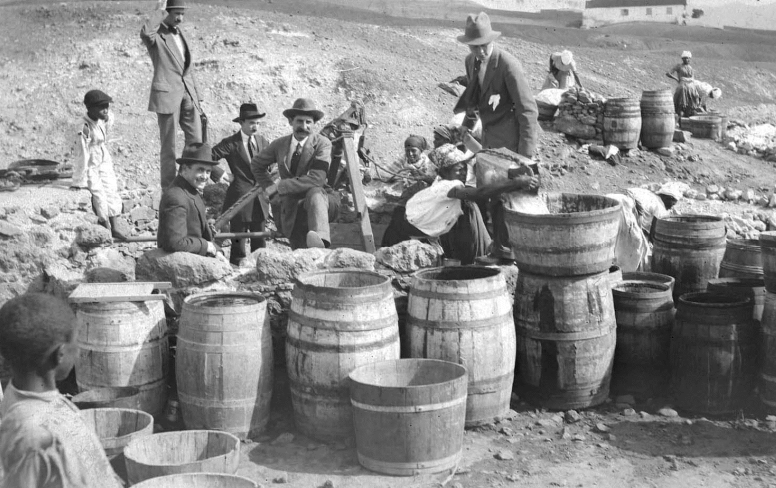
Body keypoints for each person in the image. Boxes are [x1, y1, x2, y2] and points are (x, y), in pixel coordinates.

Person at [0, 293, 123, 487]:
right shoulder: (34, 436)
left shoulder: (21, 394)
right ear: (60, 354)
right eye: (77, 343)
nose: (79, 351)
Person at [453, 12, 539, 263]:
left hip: (512, 143)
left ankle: (512, 252)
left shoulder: (508, 65)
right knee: (493, 195)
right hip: (489, 142)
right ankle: (499, 249)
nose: (480, 52)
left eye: (484, 46)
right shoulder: (470, 62)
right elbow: (475, 97)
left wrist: (525, 156)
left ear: (492, 41)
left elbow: (528, 110)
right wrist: (468, 125)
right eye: (474, 47)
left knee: (513, 196)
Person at [404, 144, 538, 265]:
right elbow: (480, 193)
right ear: (443, 172)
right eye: (458, 170)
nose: (463, 173)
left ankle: (490, 249)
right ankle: (490, 251)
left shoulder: (441, 182)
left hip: (419, 227)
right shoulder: (447, 186)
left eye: (465, 169)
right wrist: (516, 183)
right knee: (470, 203)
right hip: (417, 233)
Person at [251, 98, 340, 250]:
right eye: (299, 121)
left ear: (314, 124)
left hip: (320, 205)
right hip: (292, 211)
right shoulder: (280, 145)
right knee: (300, 255)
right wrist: (271, 190)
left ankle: (321, 241)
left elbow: (317, 179)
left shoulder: (322, 144)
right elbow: (257, 165)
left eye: (308, 122)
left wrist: (280, 186)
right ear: (290, 122)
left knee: (315, 192)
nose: (304, 127)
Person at [141, 0, 203, 189]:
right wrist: (159, 11)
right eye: (176, 13)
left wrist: (197, 97)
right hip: (167, 96)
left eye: (182, 14)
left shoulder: (180, 33)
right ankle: (169, 190)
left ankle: (188, 182)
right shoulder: (156, 36)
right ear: (166, 12)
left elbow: (188, 68)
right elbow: (146, 33)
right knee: (169, 147)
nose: (180, 18)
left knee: (196, 142)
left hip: (188, 95)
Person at [211, 103, 270, 264]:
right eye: (251, 123)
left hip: (260, 200)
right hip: (239, 199)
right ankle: (236, 270)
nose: (255, 127)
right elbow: (207, 157)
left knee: (260, 242)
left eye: (258, 123)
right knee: (238, 242)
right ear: (241, 122)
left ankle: (259, 270)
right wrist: (222, 174)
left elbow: (272, 162)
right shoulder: (231, 143)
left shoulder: (263, 141)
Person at [72, 89, 126, 240]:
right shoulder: (84, 127)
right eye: (101, 108)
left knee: (111, 189)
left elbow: (109, 119)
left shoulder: (102, 118)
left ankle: (115, 227)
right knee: (99, 195)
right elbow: (82, 153)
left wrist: (106, 116)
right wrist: (79, 180)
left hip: (103, 157)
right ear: (90, 109)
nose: (106, 110)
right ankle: (104, 227)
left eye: (107, 107)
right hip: (91, 161)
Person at [157, 142, 224, 257]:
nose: (205, 176)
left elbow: (201, 235)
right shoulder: (176, 197)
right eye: (200, 170)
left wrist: (217, 251)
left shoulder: (191, 190)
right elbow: (175, 242)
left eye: (208, 171)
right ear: (184, 169)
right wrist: (207, 246)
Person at [666, 51, 698, 117]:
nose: (687, 60)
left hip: (689, 87)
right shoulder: (679, 66)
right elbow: (668, 73)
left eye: (688, 58)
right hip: (685, 87)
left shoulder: (690, 68)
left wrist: (679, 79)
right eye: (685, 58)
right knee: (681, 105)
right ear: (682, 59)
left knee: (688, 105)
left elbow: (668, 73)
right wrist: (676, 79)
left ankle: (686, 118)